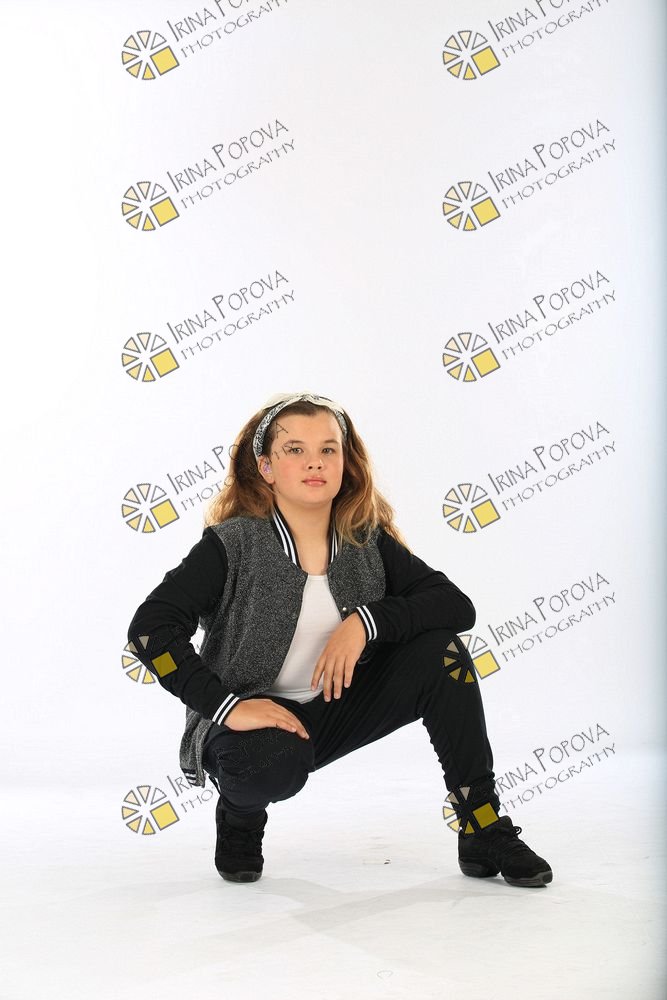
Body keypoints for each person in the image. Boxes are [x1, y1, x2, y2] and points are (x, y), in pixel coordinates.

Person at [127, 392, 553, 888]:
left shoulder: (364, 539)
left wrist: (366, 621)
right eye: (295, 450)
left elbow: (456, 607)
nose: (315, 462)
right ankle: (240, 816)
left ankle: (481, 825)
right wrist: (226, 707)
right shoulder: (233, 544)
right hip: (251, 725)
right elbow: (150, 632)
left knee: (445, 655)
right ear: (266, 468)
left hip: (337, 706)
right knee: (266, 767)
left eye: (328, 449)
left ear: (345, 464)